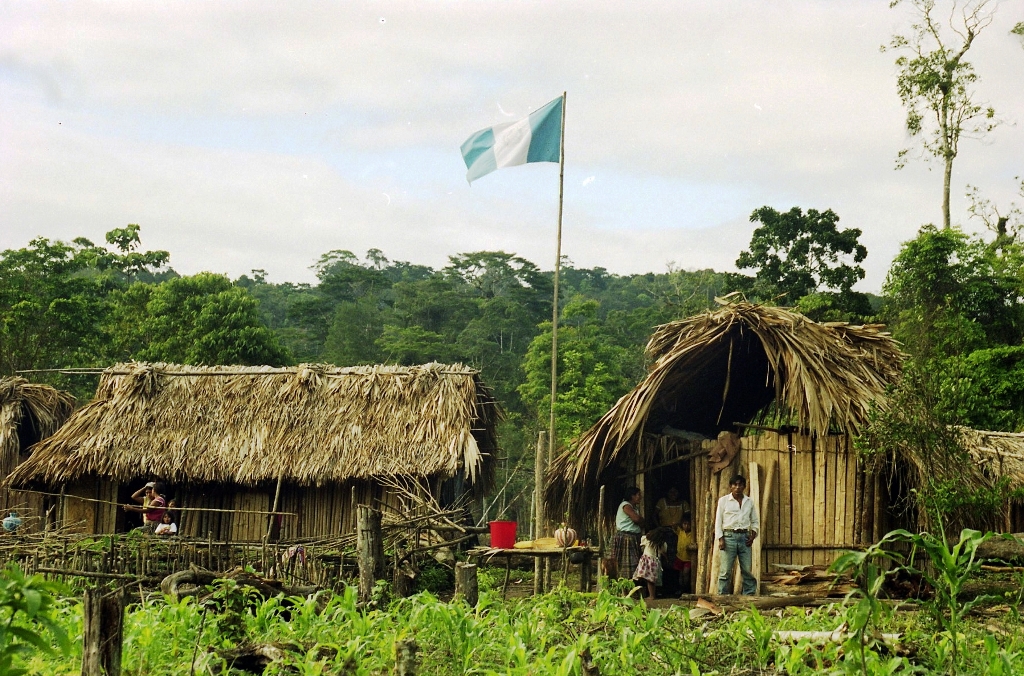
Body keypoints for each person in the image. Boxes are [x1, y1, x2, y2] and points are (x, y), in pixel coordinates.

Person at [715, 474, 760, 595]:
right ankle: (723, 598)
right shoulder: (723, 501)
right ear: (730, 486)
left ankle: (749, 597)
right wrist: (721, 539)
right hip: (729, 536)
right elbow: (718, 521)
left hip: (744, 537)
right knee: (725, 571)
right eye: (735, 484)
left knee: (747, 570)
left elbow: (755, 521)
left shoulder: (749, 502)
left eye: (740, 484)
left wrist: (752, 536)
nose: (737, 487)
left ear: (744, 486)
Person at [611, 486, 644, 581]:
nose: (640, 497)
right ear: (632, 496)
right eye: (638, 495)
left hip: (633, 537)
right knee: (626, 562)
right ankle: (625, 584)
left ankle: (632, 584)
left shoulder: (635, 508)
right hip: (626, 537)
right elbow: (637, 519)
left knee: (633, 562)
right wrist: (641, 520)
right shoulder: (626, 505)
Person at [633, 526, 673, 599]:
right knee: (651, 580)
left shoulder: (647, 539)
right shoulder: (662, 544)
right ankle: (651, 594)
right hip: (654, 562)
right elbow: (664, 552)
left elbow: (641, 544)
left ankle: (650, 595)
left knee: (644, 578)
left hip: (645, 560)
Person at [673, 516, 694, 594]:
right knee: (680, 574)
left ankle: (686, 589)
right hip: (680, 556)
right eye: (685, 524)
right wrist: (678, 523)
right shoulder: (680, 531)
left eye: (688, 524)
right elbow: (674, 526)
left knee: (686, 573)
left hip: (688, 558)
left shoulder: (693, 534)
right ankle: (681, 589)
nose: (686, 526)